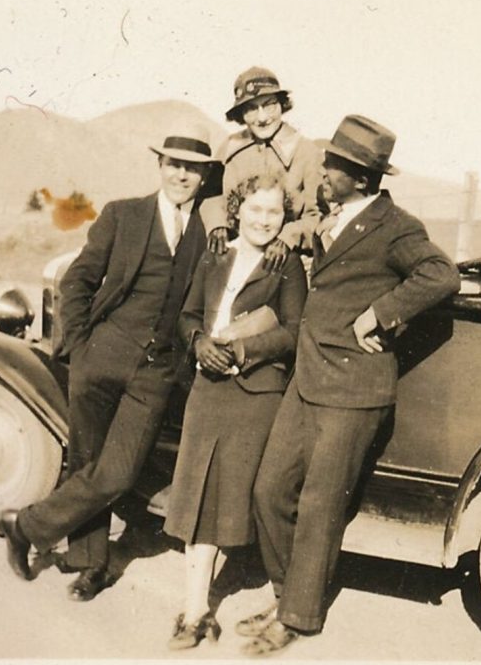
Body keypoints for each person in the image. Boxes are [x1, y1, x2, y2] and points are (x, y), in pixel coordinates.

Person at [239, 115, 461, 655]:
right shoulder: (332, 217)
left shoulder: (396, 225)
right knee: (269, 491)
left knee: (318, 505)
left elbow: (441, 274)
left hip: (355, 389)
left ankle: (297, 616)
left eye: (333, 166)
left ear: (361, 178)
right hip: (311, 377)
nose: (324, 171)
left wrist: (381, 315)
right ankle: (286, 591)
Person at [0, 124, 219, 602]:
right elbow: (77, 281)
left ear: (204, 177)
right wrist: (77, 348)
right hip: (100, 358)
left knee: (116, 473)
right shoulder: (124, 215)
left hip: (157, 372)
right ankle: (90, 565)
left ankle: (26, 526)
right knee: (87, 464)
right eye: (174, 164)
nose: (181, 175)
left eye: (192, 169)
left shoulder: (208, 231)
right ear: (160, 166)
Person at [161, 171, 308, 649]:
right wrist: (200, 342)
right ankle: (195, 610)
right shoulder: (215, 254)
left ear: (284, 218)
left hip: (255, 396)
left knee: (246, 499)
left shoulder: (287, 266)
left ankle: (284, 602)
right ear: (237, 210)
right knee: (198, 498)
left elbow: (292, 331)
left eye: (274, 212)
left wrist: (244, 353)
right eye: (256, 209)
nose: (264, 220)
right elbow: (186, 315)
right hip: (207, 391)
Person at [202, 66, 325, 269]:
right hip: (234, 256)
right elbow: (211, 195)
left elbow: (317, 215)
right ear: (241, 114)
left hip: (286, 261)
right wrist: (217, 223)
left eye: (269, 106)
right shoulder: (229, 148)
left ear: (282, 105)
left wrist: (288, 237)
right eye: (251, 109)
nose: (261, 118)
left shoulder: (307, 152)